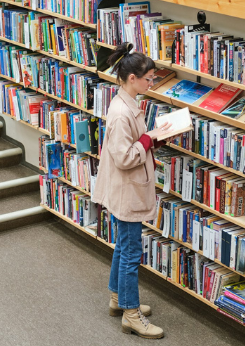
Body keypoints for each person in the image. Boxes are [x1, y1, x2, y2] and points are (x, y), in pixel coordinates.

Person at [92, 42, 175, 340]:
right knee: (131, 253)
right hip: (126, 191)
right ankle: (131, 313)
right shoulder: (120, 113)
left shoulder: (128, 104)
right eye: (149, 78)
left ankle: (118, 298)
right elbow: (125, 157)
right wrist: (149, 139)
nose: (151, 83)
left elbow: (133, 147)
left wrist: (152, 140)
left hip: (126, 189)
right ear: (131, 79)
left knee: (124, 248)